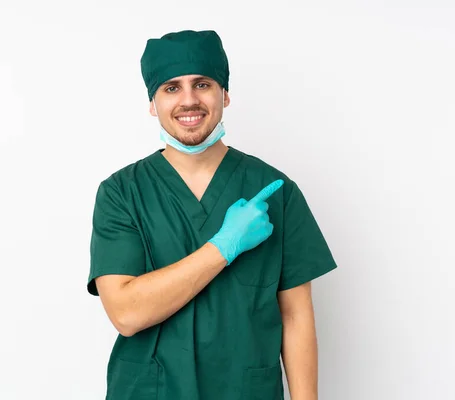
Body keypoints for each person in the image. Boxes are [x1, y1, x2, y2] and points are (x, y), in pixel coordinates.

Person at [87, 29, 337, 400]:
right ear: (152, 103)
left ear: (225, 94)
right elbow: (126, 313)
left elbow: (295, 317)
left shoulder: (274, 191)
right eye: (171, 88)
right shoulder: (122, 193)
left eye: (202, 84)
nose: (189, 100)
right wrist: (224, 245)